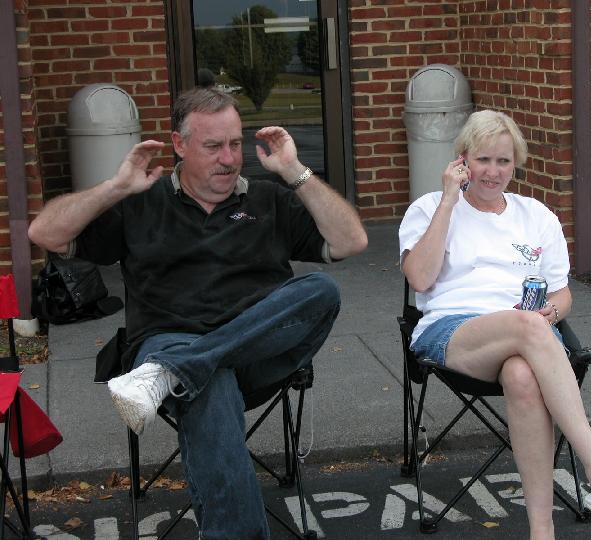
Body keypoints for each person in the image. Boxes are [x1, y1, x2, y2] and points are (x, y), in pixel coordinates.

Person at [28, 87, 367, 539]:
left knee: (320, 290)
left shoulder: (266, 200)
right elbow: (44, 233)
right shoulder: (141, 202)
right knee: (210, 384)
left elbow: (351, 242)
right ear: (179, 145)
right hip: (170, 337)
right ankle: (186, 367)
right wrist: (116, 187)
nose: (229, 159)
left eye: (235, 144)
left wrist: (295, 171)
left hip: (256, 351)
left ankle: (174, 370)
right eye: (213, 146)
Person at [398, 110, 591, 539]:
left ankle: (542, 531)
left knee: (523, 376)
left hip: (529, 338)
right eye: (482, 159)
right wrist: (449, 201)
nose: (492, 172)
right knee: (528, 327)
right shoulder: (429, 207)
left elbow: (562, 295)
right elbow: (419, 278)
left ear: (516, 164)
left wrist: (551, 314)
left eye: (503, 161)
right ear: (462, 160)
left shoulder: (536, 216)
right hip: (452, 332)